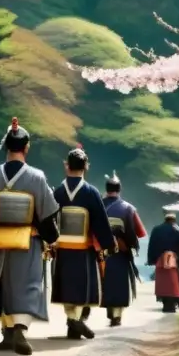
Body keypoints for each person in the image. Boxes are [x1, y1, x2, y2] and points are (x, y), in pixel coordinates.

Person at [0, 118, 59, 355]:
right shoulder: (37, 177)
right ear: (26, 147)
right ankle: (20, 330)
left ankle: (7, 332)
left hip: (2, 240)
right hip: (29, 240)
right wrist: (51, 238)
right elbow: (46, 215)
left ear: (6, 146)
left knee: (4, 284)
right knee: (28, 284)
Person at [51, 144, 115, 340]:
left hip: (62, 247)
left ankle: (72, 319)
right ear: (86, 166)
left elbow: (50, 219)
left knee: (66, 285)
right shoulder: (91, 192)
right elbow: (100, 222)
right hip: (82, 248)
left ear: (66, 165)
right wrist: (108, 245)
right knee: (81, 287)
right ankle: (75, 321)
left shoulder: (58, 192)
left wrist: (50, 242)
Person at [100, 171, 146, 327]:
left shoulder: (97, 204)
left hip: (100, 252)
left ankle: (106, 310)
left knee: (103, 282)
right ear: (119, 190)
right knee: (119, 283)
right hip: (121, 252)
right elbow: (140, 232)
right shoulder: (128, 208)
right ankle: (117, 314)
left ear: (106, 189)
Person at [146, 212, 179, 313]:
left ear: (165, 219)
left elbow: (151, 246)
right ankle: (176, 301)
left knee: (162, 284)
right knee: (176, 283)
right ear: (174, 220)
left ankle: (165, 302)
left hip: (160, 262)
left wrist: (151, 260)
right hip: (175, 262)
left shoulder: (156, 230)